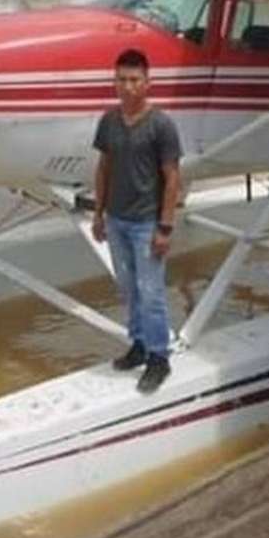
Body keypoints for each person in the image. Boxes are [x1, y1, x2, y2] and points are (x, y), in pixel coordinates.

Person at [91, 49, 183, 394]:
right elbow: (104, 168)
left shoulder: (161, 125)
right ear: (114, 82)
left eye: (134, 80)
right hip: (116, 220)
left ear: (147, 83)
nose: (127, 87)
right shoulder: (109, 121)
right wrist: (99, 214)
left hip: (147, 223)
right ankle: (139, 344)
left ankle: (160, 357)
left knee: (152, 292)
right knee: (129, 290)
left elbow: (172, 178)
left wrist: (165, 227)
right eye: (121, 80)